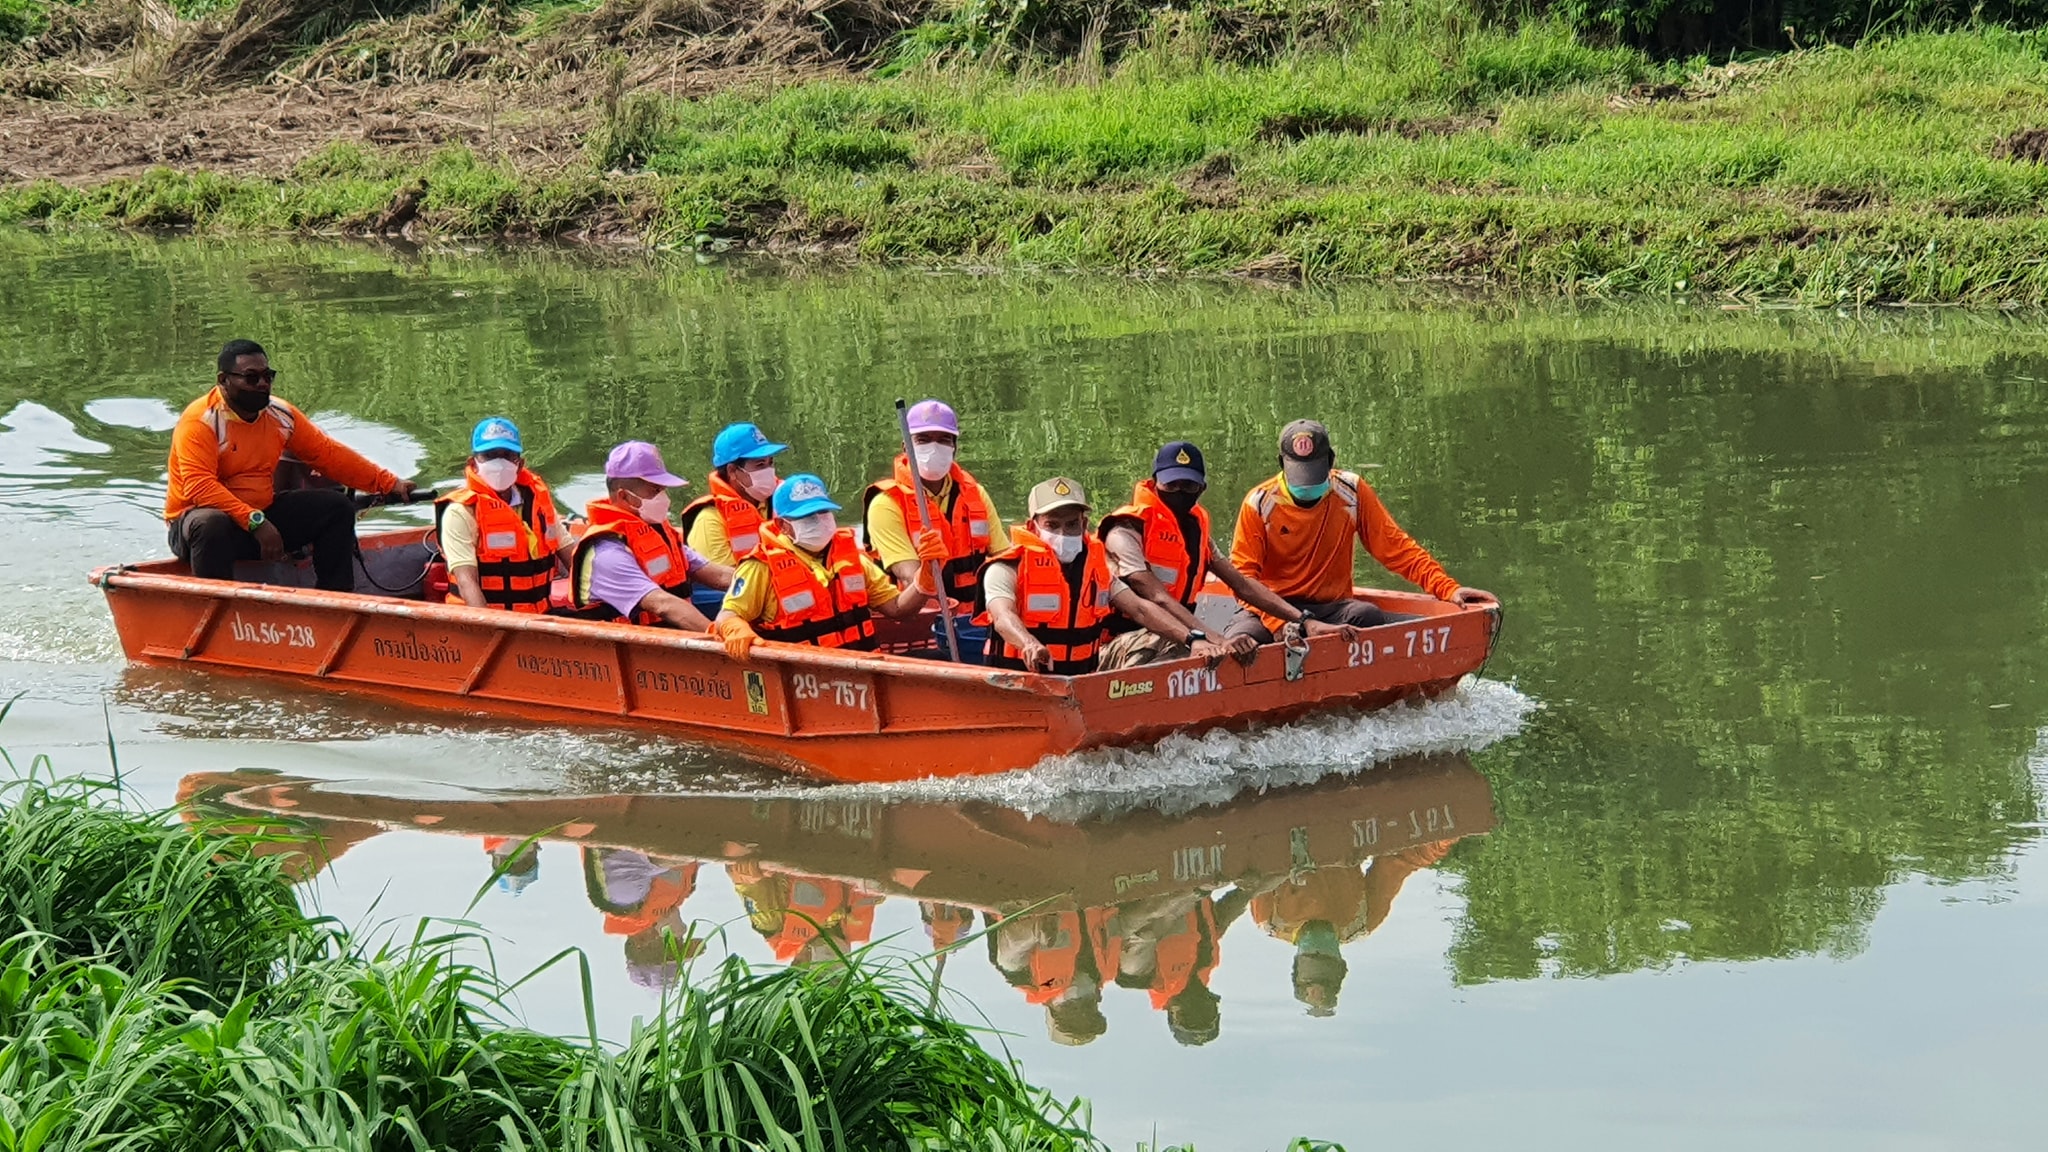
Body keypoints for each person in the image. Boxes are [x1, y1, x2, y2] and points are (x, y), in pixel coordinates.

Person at [165, 339, 415, 592]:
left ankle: (336, 598)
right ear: (223, 380)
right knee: (210, 523)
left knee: (337, 507)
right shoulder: (201, 422)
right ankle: (216, 603)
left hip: (261, 517)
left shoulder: (280, 415)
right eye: (251, 378)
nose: (262, 384)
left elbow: (327, 454)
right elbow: (200, 487)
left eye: (267, 376)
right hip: (202, 530)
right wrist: (256, 522)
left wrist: (389, 483)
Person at [1227, 419, 1498, 645]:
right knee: (1241, 639)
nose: (1307, 486)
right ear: (1281, 463)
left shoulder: (1351, 492)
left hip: (1330, 608)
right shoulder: (1259, 504)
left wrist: (1447, 588)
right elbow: (1243, 578)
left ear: (1330, 461)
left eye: (1313, 474)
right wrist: (1282, 623)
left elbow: (1396, 547)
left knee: (1367, 616)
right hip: (1272, 606)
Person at [1098, 440, 1344, 667]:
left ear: (1201, 488)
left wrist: (1304, 620)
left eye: (1188, 485)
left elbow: (1243, 585)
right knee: (1174, 640)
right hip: (1117, 643)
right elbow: (1156, 596)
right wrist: (1212, 638)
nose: (1179, 492)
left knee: (1199, 646)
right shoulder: (1125, 530)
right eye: (1171, 485)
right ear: (1154, 483)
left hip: (1180, 633)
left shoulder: (1196, 532)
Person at [979, 478, 1225, 674]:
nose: (1063, 533)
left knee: (1163, 638)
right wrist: (1028, 643)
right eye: (1052, 525)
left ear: (1084, 524)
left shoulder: (1097, 570)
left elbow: (1140, 609)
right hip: (1020, 678)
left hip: (1084, 677)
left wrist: (1194, 639)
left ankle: (1135, 702)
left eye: (1072, 524)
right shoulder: (1006, 568)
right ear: (1032, 526)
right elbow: (1003, 616)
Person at [712, 474, 947, 660]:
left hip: (861, 671)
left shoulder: (854, 560)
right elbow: (728, 615)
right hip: (801, 680)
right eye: (807, 516)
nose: (819, 521)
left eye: (823, 512)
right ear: (783, 525)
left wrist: (924, 579)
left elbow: (898, 609)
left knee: (940, 657)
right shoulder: (761, 567)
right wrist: (735, 629)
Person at [862, 400, 1010, 662]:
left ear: (954, 447)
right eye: (923, 439)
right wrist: (929, 567)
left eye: (944, 439)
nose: (934, 447)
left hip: (974, 622)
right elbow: (908, 576)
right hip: (919, 623)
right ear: (906, 447)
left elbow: (1003, 558)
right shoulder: (886, 504)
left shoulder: (976, 494)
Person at [569, 441, 734, 629]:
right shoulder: (607, 552)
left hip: (667, 633)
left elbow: (719, 575)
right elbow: (662, 604)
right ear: (624, 496)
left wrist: (757, 580)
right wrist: (721, 638)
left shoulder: (659, 533)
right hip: (629, 643)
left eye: (663, 489)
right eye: (655, 490)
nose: (665, 498)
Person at [435, 417, 572, 612]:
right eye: (489, 455)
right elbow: (466, 582)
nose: (499, 463)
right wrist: (492, 626)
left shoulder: (539, 505)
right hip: (481, 620)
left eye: (507, 455)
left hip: (538, 617)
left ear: (520, 464)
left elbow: (572, 556)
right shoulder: (461, 512)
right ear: (474, 463)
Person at [679, 421, 788, 617]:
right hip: (734, 605)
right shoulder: (710, 519)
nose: (769, 471)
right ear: (732, 471)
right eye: (760, 465)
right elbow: (722, 583)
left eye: (770, 463)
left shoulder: (781, 503)